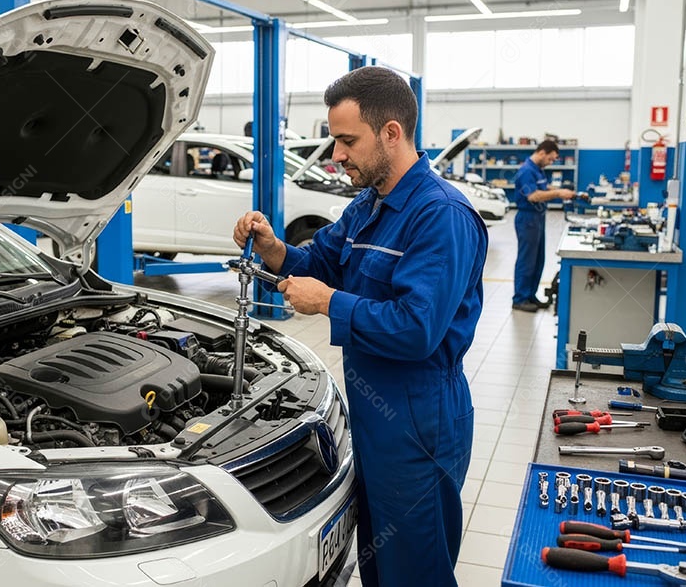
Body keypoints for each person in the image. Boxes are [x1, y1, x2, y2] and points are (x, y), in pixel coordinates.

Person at [233, 66, 487, 587]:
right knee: (377, 563)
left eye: (347, 141)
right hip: (372, 418)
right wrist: (273, 248)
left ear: (391, 133)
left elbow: (417, 329)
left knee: (414, 572)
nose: (337, 155)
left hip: (420, 423)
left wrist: (329, 303)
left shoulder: (440, 216)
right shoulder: (368, 205)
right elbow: (319, 261)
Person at [512, 140, 576, 312]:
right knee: (527, 260)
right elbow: (533, 196)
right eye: (551, 159)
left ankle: (530, 295)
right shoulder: (526, 171)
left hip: (538, 218)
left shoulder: (537, 170)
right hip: (527, 218)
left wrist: (560, 190)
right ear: (542, 153)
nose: (551, 162)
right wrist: (558, 193)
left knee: (537, 259)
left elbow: (543, 187)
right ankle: (519, 298)